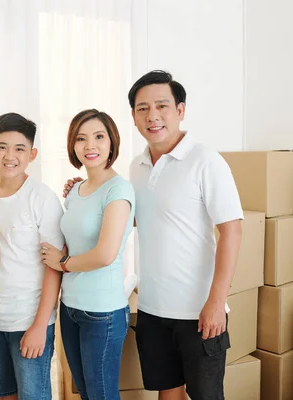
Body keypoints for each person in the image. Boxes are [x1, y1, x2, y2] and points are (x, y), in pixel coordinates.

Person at [64, 71, 243, 400]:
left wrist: (216, 302)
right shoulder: (136, 167)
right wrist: (82, 191)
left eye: (162, 105)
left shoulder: (206, 160)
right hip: (153, 311)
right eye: (142, 108)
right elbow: (121, 218)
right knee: (167, 394)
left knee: (206, 395)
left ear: (180, 110)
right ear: (133, 117)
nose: (152, 115)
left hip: (199, 311)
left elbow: (232, 231)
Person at [42, 109, 135, 400]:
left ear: (112, 142)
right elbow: (76, 239)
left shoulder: (118, 190)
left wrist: (63, 263)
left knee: (101, 395)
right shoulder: (76, 190)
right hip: (71, 308)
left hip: (102, 312)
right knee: (84, 392)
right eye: (81, 139)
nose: (90, 146)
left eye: (98, 137)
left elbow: (105, 254)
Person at [0, 112, 64, 400]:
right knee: (4, 395)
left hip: (30, 319)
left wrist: (40, 326)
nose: (9, 156)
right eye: (2, 147)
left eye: (19, 149)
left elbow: (54, 266)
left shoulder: (42, 197)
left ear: (32, 154)